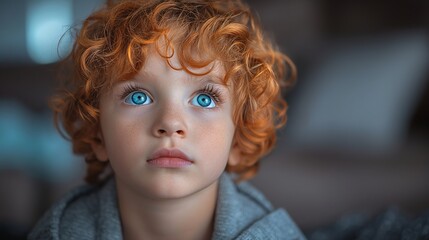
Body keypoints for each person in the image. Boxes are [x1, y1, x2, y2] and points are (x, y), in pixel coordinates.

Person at [29, 0, 305, 239]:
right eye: (138, 97)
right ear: (98, 132)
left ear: (237, 139)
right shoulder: (59, 231)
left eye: (204, 99)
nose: (171, 123)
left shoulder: (272, 233)